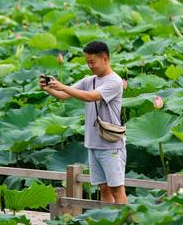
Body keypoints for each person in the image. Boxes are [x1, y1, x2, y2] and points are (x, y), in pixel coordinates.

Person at [39, 41, 127, 203]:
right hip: (93, 143)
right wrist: (49, 88)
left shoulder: (114, 81)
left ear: (105, 59)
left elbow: (90, 96)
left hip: (111, 144)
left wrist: (63, 86)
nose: (89, 66)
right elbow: (65, 95)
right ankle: (108, 223)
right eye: (87, 62)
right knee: (104, 188)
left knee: (116, 189)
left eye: (92, 62)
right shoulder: (90, 80)